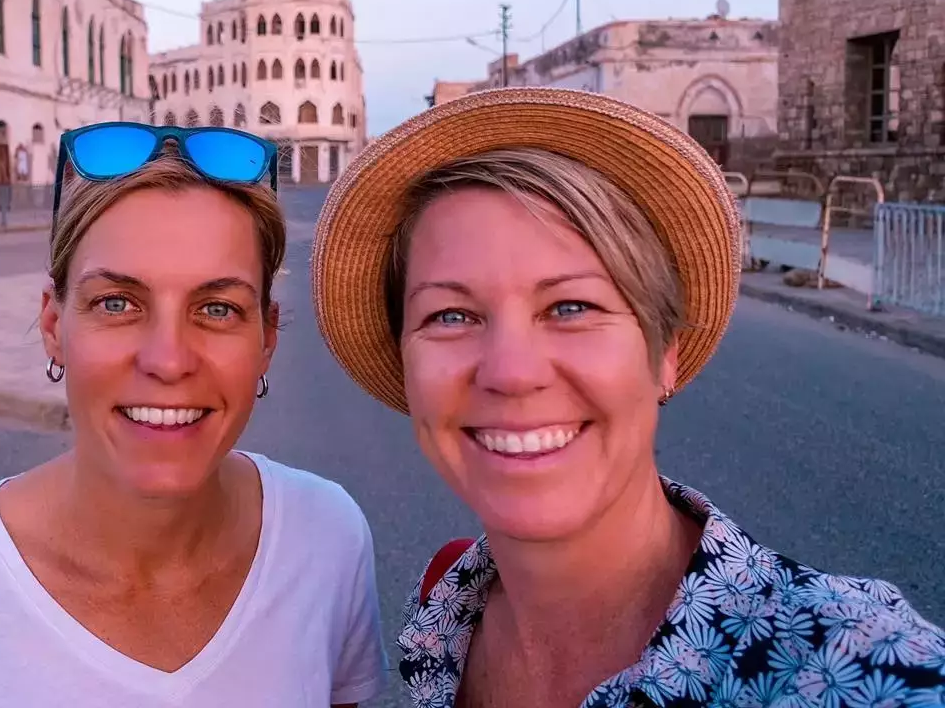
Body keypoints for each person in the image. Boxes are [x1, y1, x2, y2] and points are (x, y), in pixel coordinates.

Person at [310, 87, 945, 708]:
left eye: (572, 306)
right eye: (451, 316)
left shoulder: (861, 668)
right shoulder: (442, 621)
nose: (511, 371)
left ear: (665, 351)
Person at [0, 120, 388, 707]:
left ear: (268, 337)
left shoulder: (328, 538)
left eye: (219, 309)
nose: (168, 360)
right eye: (118, 303)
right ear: (55, 326)